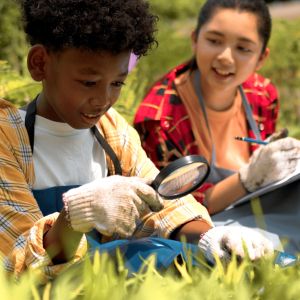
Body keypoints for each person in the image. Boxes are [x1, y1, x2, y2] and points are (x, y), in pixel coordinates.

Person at [0, 0, 274, 281]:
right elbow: (18, 262)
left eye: (117, 84)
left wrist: (212, 237)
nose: (103, 100)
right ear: (40, 64)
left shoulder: (111, 130)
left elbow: (162, 202)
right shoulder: (7, 138)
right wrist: (77, 216)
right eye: (89, 82)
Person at [134, 0, 300, 215]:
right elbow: (168, 208)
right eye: (214, 41)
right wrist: (247, 178)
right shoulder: (159, 119)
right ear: (195, 40)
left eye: (243, 48)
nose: (225, 57)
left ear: (261, 58)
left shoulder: (262, 94)